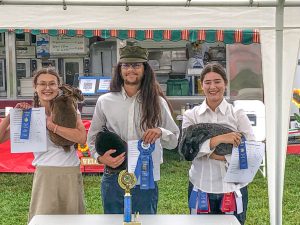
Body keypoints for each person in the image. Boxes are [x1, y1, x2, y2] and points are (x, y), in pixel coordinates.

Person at [87, 45, 180, 214]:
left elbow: (174, 140)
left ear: (145, 69)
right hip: (113, 176)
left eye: (136, 65)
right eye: (126, 65)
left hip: (145, 179)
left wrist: (160, 131)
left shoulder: (158, 102)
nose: (131, 70)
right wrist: (100, 158)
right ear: (120, 69)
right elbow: (92, 138)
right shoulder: (105, 101)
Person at [0, 68, 87, 222]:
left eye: (52, 84)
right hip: (45, 174)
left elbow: (81, 138)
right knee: (44, 220)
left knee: (73, 220)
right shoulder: (29, 114)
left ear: (58, 86)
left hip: (71, 172)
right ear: (35, 87)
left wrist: (52, 126)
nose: (47, 88)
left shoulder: (70, 111)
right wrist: (11, 116)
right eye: (42, 84)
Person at [181, 62, 255, 225]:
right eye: (207, 82)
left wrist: (217, 156)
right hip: (201, 186)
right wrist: (221, 139)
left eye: (217, 81)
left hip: (233, 189)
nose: (212, 86)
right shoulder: (191, 116)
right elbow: (187, 149)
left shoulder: (237, 114)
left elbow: (252, 150)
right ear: (202, 85)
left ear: (225, 83)